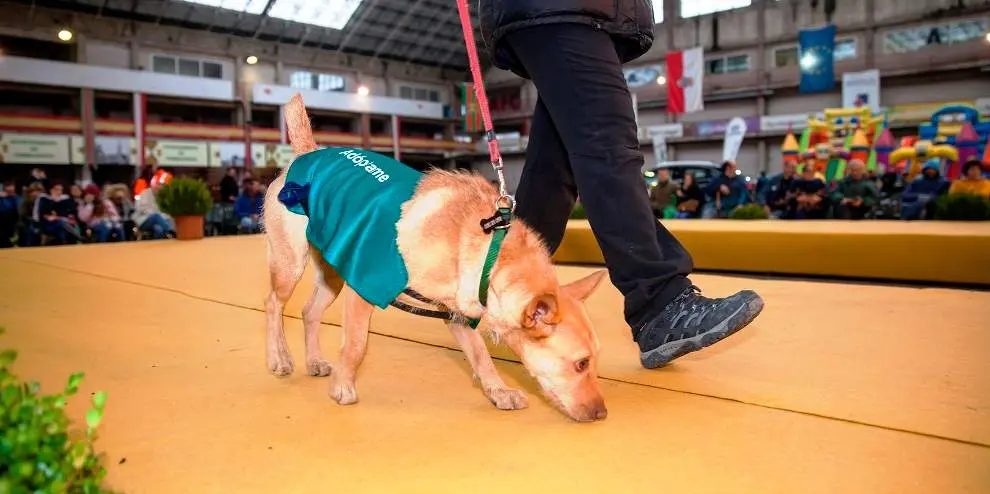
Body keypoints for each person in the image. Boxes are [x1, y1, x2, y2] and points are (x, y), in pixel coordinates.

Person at [478, 0, 764, 369]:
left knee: (555, 167)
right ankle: (658, 302)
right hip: (562, 10)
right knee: (607, 144)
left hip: (569, 13)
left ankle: (504, 287)